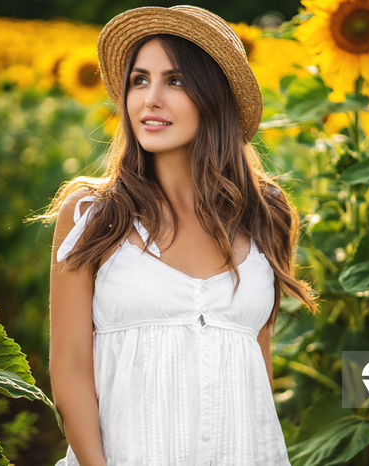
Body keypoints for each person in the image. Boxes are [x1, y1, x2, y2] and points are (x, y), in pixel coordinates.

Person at [49, 5, 316, 465]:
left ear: (213, 97)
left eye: (174, 81)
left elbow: (257, 367)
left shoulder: (263, 216)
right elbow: (69, 369)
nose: (150, 99)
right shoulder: (93, 215)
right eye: (139, 80)